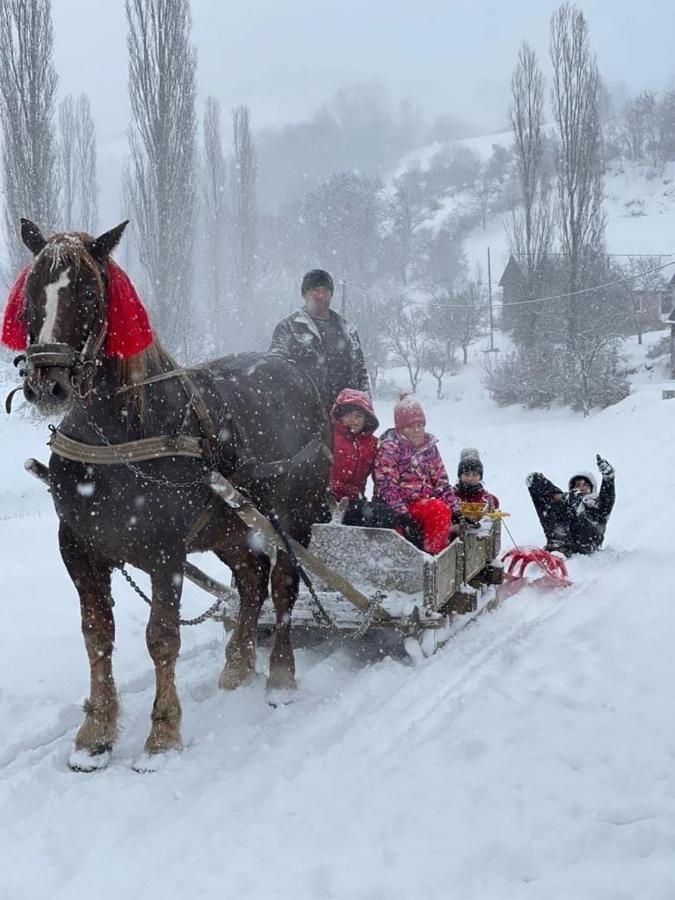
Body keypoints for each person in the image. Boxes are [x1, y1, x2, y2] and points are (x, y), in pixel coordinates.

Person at [268, 269, 371, 411]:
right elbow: (275, 371)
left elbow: (361, 373)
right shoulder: (288, 327)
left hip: (345, 417)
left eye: (326, 290)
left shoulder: (347, 329)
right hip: (303, 415)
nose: (321, 295)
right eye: (315, 290)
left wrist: (366, 409)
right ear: (305, 294)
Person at [374, 393, 459, 555]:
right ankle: (431, 556)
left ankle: (437, 553)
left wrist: (456, 511)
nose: (417, 430)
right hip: (398, 507)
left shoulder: (429, 447)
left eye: (420, 424)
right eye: (411, 426)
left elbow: (441, 482)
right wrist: (403, 515)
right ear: (400, 428)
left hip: (423, 504)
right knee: (437, 509)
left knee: (443, 508)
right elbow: (386, 486)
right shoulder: (391, 448)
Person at [329, 388, 400, 530]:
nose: (353, 421)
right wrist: (332, 488)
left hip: (353, 502)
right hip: (326, 499)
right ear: (340, 416)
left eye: (358, 416)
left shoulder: (373, 444)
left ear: (366, 419)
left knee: (386, 516)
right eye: (349, 415)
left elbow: (381, 476)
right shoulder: (329, 436)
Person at [526, 455, 616, 556]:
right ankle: (556, 545)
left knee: (571, 507)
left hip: (587, 543)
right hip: (564, 541)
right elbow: (543, 487)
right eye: (578, 485)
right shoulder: (566, 504)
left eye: (585, 485)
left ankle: (577, 512)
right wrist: (561, 496)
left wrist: (608, 478)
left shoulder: (598, 505)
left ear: (592, 488)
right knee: (554, 505)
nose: (581, 488)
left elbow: (607, 497)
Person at [454, 448, 500, 525]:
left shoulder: (490, 499)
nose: (470, 478)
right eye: (466, 474)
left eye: (475, 475)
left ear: (480, 477)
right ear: (460, 475)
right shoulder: (450, 497)